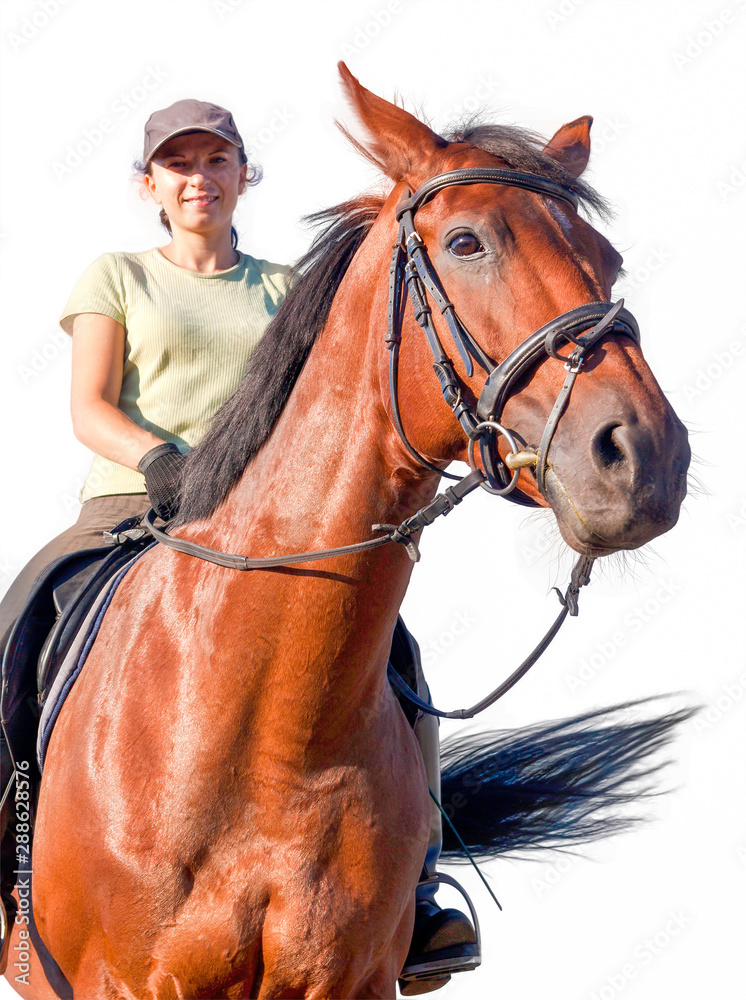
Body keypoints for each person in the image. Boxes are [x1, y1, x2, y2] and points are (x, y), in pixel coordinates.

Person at [0, 99, 476, 993]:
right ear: (151, 185)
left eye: (215, 161)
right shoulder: (118, 278)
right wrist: (158, 460)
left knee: (399, 661)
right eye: (177, 165)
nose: (197, 178)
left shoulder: (287, 288)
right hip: (132, 510)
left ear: (242, 176)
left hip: (263, 528)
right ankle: (7, 860)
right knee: (21, 620)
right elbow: (89, 406)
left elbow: (325, 416)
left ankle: (424, 887)